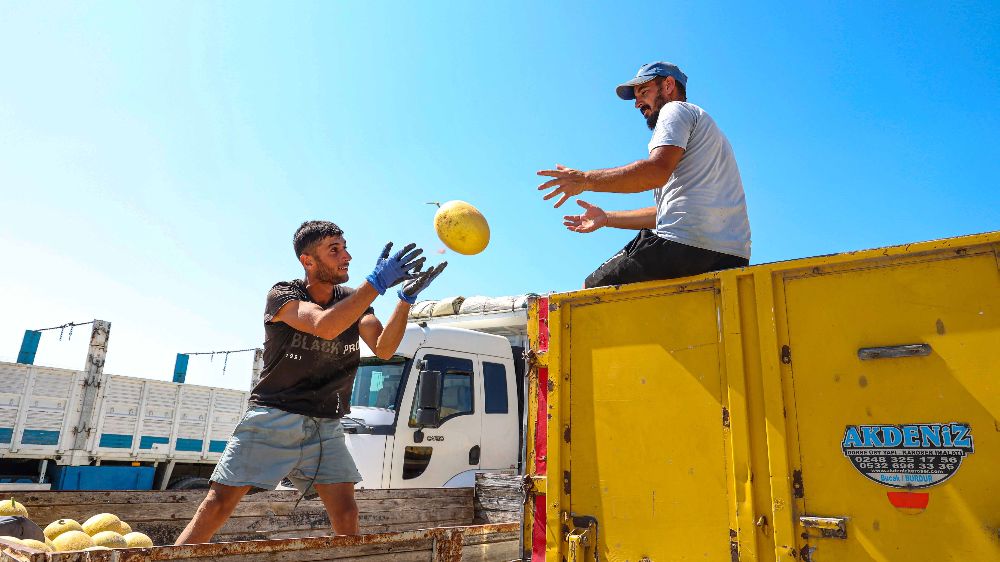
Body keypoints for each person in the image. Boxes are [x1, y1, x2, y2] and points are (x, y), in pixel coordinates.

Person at [175, 220, 447, 544]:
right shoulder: (283, 295)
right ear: (308, 260)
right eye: (334, 249)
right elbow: (325, 325)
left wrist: (404, 299)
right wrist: (376, 282)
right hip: (274, 415)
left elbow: (385, 348)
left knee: (347, 513)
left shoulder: (355, 300)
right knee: (219, 504)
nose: (346, 255)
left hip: (325, 425)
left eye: (345, 247)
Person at [537, 61, 751, 288]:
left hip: (683, 246)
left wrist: (585, 180)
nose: (637, 103)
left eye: (644, 92)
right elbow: (666, 214)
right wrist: (607, 217)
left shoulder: (674, 110)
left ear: (668, 85)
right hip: (732, 258)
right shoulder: (711, 136)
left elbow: (655, 172)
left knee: (591, 291)